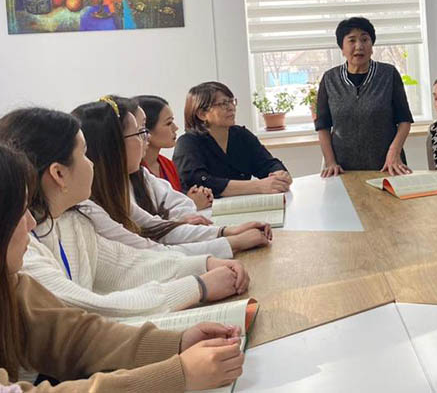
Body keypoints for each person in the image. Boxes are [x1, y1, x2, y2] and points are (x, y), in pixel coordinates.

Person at [0, 141, 245, 391]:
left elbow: (74, 335)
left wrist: (176, 343)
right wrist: (177, 374)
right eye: (20, 212)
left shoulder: (18, 275)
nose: (30, 223)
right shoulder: (27, 259)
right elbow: (94, 308)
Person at [0, 108, 247, 318]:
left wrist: (203, 264)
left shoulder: (72, 221)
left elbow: (129, 264)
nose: (91, 162)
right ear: (59, 174)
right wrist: (199, 285)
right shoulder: (22, 247)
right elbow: (89, 309)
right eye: (84, 154)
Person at [74, 98, 270, 258]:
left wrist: (226, 231)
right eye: (140, 132)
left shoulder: (130, 181)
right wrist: (232, 241)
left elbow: (157, 226)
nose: (146, 138)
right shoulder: (90, 207)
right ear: (112, 145)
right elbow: (152, 251)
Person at [316, 17, 414, 177]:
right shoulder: (329, 79)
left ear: (372, 45)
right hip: (342, 169)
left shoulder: (388, 74)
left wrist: (394, 152)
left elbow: (404, 121)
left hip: (387, 166)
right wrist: (330, 162)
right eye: (352, 40)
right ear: (342, 48)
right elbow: (323, 127)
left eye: (364, 39)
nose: (359, 46)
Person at [174, 81, 293, 197]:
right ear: (202, 114)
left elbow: (267, 163)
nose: (231, 107)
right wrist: (258, 186)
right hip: (207, 208)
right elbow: (199, 181)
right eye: (223, 104)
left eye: (231, 101)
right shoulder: (187, 143)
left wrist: (279, 175)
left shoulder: (241, 135)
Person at [135, 94, 213, 211]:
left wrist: (198, 195)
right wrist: (191, 203)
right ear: (145, 130)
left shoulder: (167, 164)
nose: (175, 127)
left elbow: (177, 200)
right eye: (168, 123)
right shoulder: (134, 170)